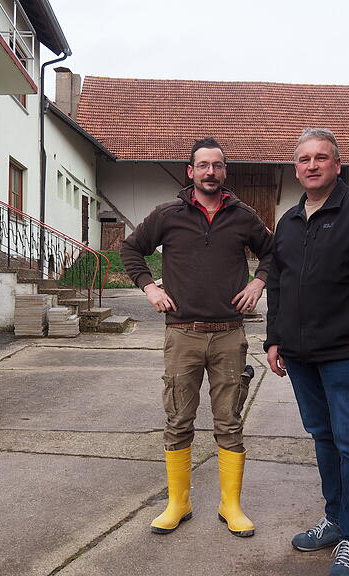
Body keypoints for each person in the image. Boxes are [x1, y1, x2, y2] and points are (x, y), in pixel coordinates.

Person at [265, 128, 349, 575]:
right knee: (323, 438)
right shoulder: (287, 222)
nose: (311, 165)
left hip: (348, 351)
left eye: (320, 158)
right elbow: (279, 287)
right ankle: (335, 518)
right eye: (303, 159)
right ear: (296, 168)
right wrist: (273, 338)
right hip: (300, 354)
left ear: (337, 165)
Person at [121, 137, 273, 538]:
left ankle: (231, 504)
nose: (210, 172)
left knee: (229, 422)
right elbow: (131, 250)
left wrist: (259, 282)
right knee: (178, 420)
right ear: (191, 172)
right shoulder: (167, 214)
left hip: (229, 335)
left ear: (225, 171)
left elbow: (273, 253)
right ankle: (179, 502)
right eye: (202, 165)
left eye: (217, 165)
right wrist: (150, 288)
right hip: (181, 335)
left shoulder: (243, 216)